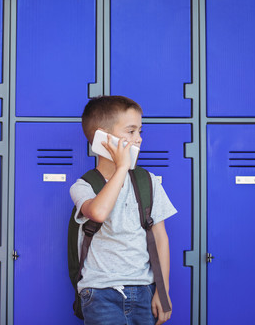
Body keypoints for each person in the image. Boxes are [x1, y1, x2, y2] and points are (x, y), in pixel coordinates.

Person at [70, 95, 177, 325]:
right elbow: (98, 212)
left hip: (144, 290)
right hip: (99, 292)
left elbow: (160, 238)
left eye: (140, 131)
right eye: (130, 131)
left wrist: (163, 291)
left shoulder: (148, 181)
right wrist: (121, 168)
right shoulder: (83, 186)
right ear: (102, 138)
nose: (138, 139)